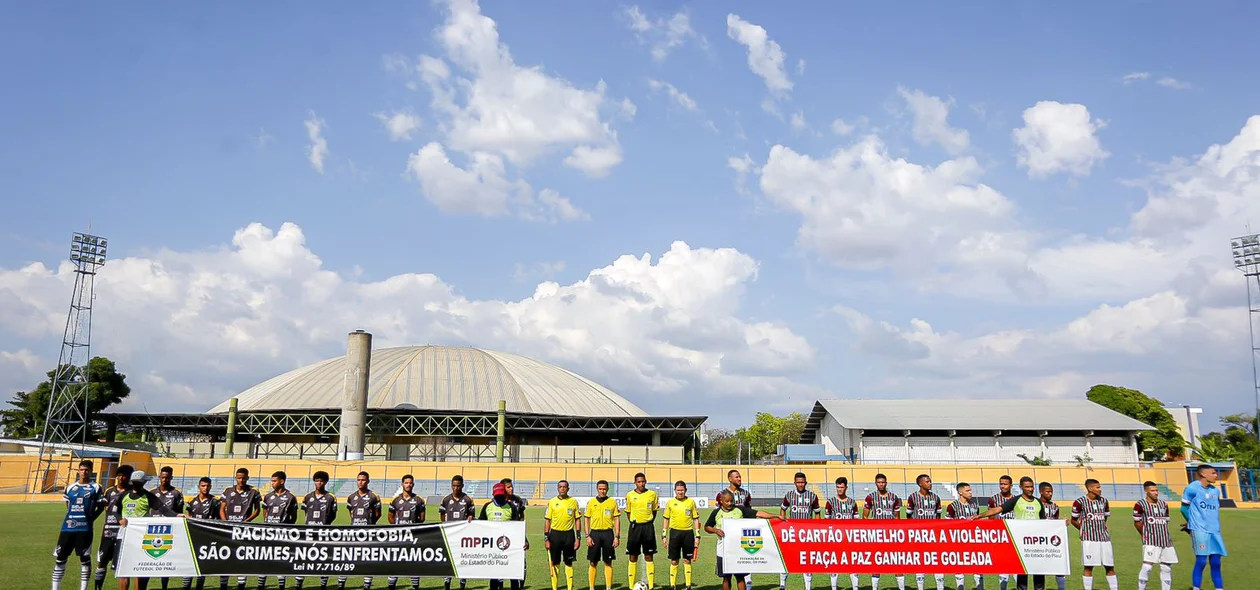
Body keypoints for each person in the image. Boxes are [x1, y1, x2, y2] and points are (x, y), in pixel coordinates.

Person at [112, 470, 184, 590]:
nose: (138, 484)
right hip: (123, 536)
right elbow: (116, 510)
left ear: (144, 482)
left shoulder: (148, 496)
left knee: (139, 570)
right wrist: (120, 519)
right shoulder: (123, 495)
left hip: (141, 537)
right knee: (123, 571)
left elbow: (163, 509)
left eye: (140, 482)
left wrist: (177, 515)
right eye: (136, 482)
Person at [705, 490, 783, 590]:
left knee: (740, 577)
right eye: (727, 501)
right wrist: (715, 530)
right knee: (726, 578)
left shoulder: (740, 510)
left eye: (731, 501)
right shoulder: (716, 512)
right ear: (721, 500)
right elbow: (707, 527)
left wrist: (776, 515)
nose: (730, 504)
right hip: (722, 550)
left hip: (739, 550)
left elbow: (758, 513)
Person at [977, 476, 1045, 590]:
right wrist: (980, 515)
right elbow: (997, 509)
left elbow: (1045, 523)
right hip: (1021, 542)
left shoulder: (1038, 502)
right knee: (1022, 570)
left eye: (1032, 487)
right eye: (1027, 487)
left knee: (1038, 571)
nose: (1030, 489)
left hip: (1037, 542)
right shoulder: (1016, 500)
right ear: (1021, 487)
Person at [54, 459, 103, 590]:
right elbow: (68, 505)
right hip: (67, 528)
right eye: (81, 470)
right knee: (60, 557)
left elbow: (101, 506)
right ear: (78, 471)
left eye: (86, 470)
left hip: (85, 529)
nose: (84, 472)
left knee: (84, 558)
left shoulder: (96, 487)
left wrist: (91, 519)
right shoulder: (70, 487)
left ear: (91, 472)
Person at [1181, 464, 1226, 590]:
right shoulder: (1192, 488)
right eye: (1213, 473)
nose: (1216, 475)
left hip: (1214, 531)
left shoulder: (1215, 491)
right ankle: (1196, 588)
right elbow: (1184, 508)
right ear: (1203, 474)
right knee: (1201, 561)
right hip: (1199, 530)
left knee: (1216, 562)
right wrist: (1191, 523)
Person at [219, 468, 261, 590]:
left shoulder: (253, 491)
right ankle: (223, 584)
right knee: (225, 556)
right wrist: (225, 522)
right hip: (228, 529)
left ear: (247, 478)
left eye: (243, 478)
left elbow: (257, 510)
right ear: (235, 477)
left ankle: (241, 585)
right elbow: (222, 508)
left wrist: (246, 521)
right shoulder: (228, 491)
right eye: (238, 478)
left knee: (242, 556)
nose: (241, 480)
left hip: (244, 530)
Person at [1071, 478, 1116, 590]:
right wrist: (1084, 530)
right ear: (1090, 488)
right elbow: (1074, 520)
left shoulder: (1104, 501)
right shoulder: (1079, 502)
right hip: (1089, 539)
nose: (1100, 489)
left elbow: (1104, 517)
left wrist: (1101, 528)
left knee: (1109, 566)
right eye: (1097, 487)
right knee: (1088, 567)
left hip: (1104, 538)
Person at [340, 471, 381, 590]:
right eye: (358, 480)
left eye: (363, 480)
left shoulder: (374, 496)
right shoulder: (351, 497)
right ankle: (341, 583)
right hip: (353, 533)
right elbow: (351, 513)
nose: (360, 482)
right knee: (348, 558)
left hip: (368, 534)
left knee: (368, 559)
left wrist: (370, 524)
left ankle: (367, 584)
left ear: (368, 481)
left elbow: (378, 514)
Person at [296, 471, 337, 590]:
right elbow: (305, 512)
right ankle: (299, 583)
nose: (319, 483)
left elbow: (333, 515)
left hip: (324, 533)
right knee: (304, 558)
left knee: (323, 558)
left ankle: (323, 583)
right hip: (308, 533)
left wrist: (325, 524)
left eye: (322, 481)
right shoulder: (307, 497)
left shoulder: (331, 497)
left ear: (325, 482)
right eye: (317, 480)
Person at [258, 471, 299, 590]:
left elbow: (294, 516)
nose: (272, 483)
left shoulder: (290, 497)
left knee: (281, 560)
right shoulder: (268, 496)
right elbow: (265, 512)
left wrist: (286, 527)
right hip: (268, 534)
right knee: (265, 559)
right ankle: (261, 585)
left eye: (274, 481)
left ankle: (281, 585)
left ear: (282, 481)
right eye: (271, 481)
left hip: (282, 534)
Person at [96, 465, 134, 590]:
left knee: (124, 565)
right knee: (101, 562)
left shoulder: (132, 492)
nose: (120, 478)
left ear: (129, 477)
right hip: (108, 531)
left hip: (125, 533)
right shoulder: (109, 491)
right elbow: (101, 508)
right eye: (119, 475)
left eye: (124, 475)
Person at [864, 473, 905, 590]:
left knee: (896, 561)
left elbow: (897, 518)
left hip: (891, 535)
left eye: (883, 482)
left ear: (886, 483)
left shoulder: (894, 497)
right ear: (875, 483)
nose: (881, 484)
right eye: (879, 482)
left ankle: (901, 588)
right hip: (876, 535)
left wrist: (896, 533)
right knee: (877, 562)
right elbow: (865, 517)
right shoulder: (870, 497)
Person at [780, 472, 819, 590]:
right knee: (786, 558)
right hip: (792, 533)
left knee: (806, 560)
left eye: (802, 482)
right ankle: (782, 585)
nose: (800, 484)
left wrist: (816, 528)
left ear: (806, 483)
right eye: (798, 482)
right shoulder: (789, 495)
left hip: (807, 534)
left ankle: (808, 586)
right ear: (794, 483)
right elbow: (783, 509)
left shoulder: (812, 496)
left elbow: (817, 513)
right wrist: (783, 523)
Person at [1133, 481, 1176, 590]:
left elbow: (1166, 521)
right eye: (1152, 490)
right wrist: (1145, 534)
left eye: (1156, 490)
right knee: (1147, 567)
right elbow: (1137, 522)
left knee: (1166, 567)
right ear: (1146, 491)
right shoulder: (1140, 504)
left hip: (1166, 541)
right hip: (1150, 540)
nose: (1156, 493)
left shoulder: (1164, 504)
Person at [480, 483, 524, 590]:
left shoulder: (511, 507)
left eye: (501, 495)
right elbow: (480, 525)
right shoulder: (487, 506)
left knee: (513, 574)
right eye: (497, 495)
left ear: (504, 494)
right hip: (492, 546)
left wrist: (524, 540)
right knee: (494, 575)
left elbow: (517, 526)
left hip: (509, 545)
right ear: (493, 494)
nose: (499, 497)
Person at [386, 474, 425, 590]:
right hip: (398, 538)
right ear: (402, 484)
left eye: (410, 483)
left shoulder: (419, 500)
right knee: (395, 561)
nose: (408, 485)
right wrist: (398, 529)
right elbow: (390, 517)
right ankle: (391, 585)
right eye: (406, 483)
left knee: (413, 561)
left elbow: (422, 518)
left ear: (413, 484)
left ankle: (415, 586)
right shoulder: (395, 500)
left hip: (413, 538)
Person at [906, 474, 944, 590]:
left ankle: (940, 587)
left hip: (933, 536)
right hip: (919, 536)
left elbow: (938, 516)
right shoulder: (913, 497)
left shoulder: (936, 498)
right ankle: (920, 587)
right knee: (920, 561)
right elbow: (909, 516)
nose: (930, 483)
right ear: (920, 484)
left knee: (936, 560)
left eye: (930, 481)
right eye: (927, 482)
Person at [718, 470, 754, 590]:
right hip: (727, 539)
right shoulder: (722, 494)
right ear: (730, 479)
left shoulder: (746, 494)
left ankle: (749, 584)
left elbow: (750, 512)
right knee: (726, 575)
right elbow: (718, 514)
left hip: (742, 537)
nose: (739, 479)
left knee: (740, 573)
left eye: (740, 477)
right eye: (736, 477)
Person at [662, 480, 700, 590]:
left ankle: (688, 585)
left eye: (682, 490)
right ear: (675, 491)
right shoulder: (670, 502)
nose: (680, 492)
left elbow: (696, 519)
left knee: (687, 560)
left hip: (688, 533)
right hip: (674, 533)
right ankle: (672, 585)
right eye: (678, 490)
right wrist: (664, 535)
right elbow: (666, 519)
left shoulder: (691, 502)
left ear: (686, 490)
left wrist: (697, 536)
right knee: (674, 560)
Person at [439, 475, 475, 590]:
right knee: (449, 560)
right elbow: (442, 516)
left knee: (463, 560)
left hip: (464, 537)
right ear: (451, 486)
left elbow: (471, 515)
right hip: (450, 535)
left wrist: (470, 517)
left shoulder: (468, 499)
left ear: (462, 486)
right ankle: (447, 585)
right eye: (454, 486)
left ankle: (462, 584)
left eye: (458, 486)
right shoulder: (445, 499)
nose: (456, 488)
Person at [824, 477, 860, 590]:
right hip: (835, 539)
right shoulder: (830, 502)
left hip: (850, 539)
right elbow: (826, 522)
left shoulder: (852, 502)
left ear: (846, 488)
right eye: (838, 487)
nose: (839, 489)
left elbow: (856, 522)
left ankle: (855, 587)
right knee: (834, 564)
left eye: (842, 487)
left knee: (853, 564)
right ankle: (834, 587)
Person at [545, 480, 582, 590]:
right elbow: (547, 520)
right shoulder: (552, 502)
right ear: (557, 488)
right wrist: (546, 538)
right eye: (560, 487)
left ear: (568, 489)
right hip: (555, 535)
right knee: (555, 562)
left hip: (569, 535)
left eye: (564, 487)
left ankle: (570, 587)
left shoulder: (573, 502)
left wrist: (578, 537)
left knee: (568, 562)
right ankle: (554, 587)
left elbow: (577, 520)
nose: (562, 489)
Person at [152, 467, 185, 590]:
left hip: (169, 531)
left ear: (171, 478)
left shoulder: (176, 493)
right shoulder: (152, 493)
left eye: (167, 477)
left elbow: (179, 513)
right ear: (159, 477)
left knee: (165, 560)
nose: (164, 480)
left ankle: (164, 586)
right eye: (162, 477)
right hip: (153, 531)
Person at [182, 477, 218, 590]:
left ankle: (199, 587)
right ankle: (186, 587)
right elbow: (189, 516)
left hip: (207, 538)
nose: (205, 488)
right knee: (188, 564)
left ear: (211, 486)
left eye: (208, 486)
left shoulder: (215, 501)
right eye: (203, 485)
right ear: (199, 487)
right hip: (192, 536)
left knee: (202, 565)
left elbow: (218, 519)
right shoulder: (192, 501)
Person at [946, 482, 982, 590]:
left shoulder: (975, 505)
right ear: (960, 492)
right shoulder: (952, 506)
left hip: (973, 540)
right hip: (959, 541)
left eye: (971, 490)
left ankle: (980, 587)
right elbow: (948, 525)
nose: (970, 492)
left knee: (977, 565)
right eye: (968, 490)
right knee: (959, 565)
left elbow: (978, 522)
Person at [584, 480, 620, 590]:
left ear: (607, 489)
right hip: (594, 533)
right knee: (593, 562)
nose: (602, 491)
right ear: (597, 489)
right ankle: (591, 587)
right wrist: (587, 535)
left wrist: (617, 536)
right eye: (600, 489)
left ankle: (608, 587)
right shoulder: (591, 502)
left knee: (608, 561)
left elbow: (616, 519)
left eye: (604, 489)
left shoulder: (612, 502)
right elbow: (586, 519)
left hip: (608, 534)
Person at [626, 473, 659, 590]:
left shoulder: (652, 494)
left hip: (648, 527)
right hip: (635, 528)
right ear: (635, 482)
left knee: (649, 556)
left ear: (646, 481)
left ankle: (650, 586)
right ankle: (631, 586)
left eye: (643, 481)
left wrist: (648, 522)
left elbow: (654, 511)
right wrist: (634, 522)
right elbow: (628, 512)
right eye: (639, 482)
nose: (641, 484)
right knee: (633, 556)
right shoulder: (630, 495)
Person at [988, 476, 1016, 590]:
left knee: (1016, 566)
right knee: (1003, 567)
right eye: (1001, 484)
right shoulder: (993, 499)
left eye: (1005, 484)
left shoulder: (1017, 499)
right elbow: (991, 519)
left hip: (1015, 537)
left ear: (1011, 486)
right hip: (1001, 538)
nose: (1002, 486)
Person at [502, 478, 529, 590]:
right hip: (502, 536)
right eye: (508, 487)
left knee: (521, 562)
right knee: (502, 561)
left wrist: (522, 533)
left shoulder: (518, 500)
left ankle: (520, 586)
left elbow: (522, 517)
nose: (511, 488)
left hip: (517, 534)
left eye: (511, 486)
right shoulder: (498, 500)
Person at [1038, 483, 1066, 590]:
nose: (1050, 494)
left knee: (1059, 566)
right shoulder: (1036, 504)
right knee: (1040, 569)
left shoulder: (1055, 507)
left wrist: (1062, 524)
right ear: (1041, 492)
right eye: (1047, 492)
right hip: (1039, 541)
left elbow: (1055, 523)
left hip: (1052, 542)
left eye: (1051, 492)